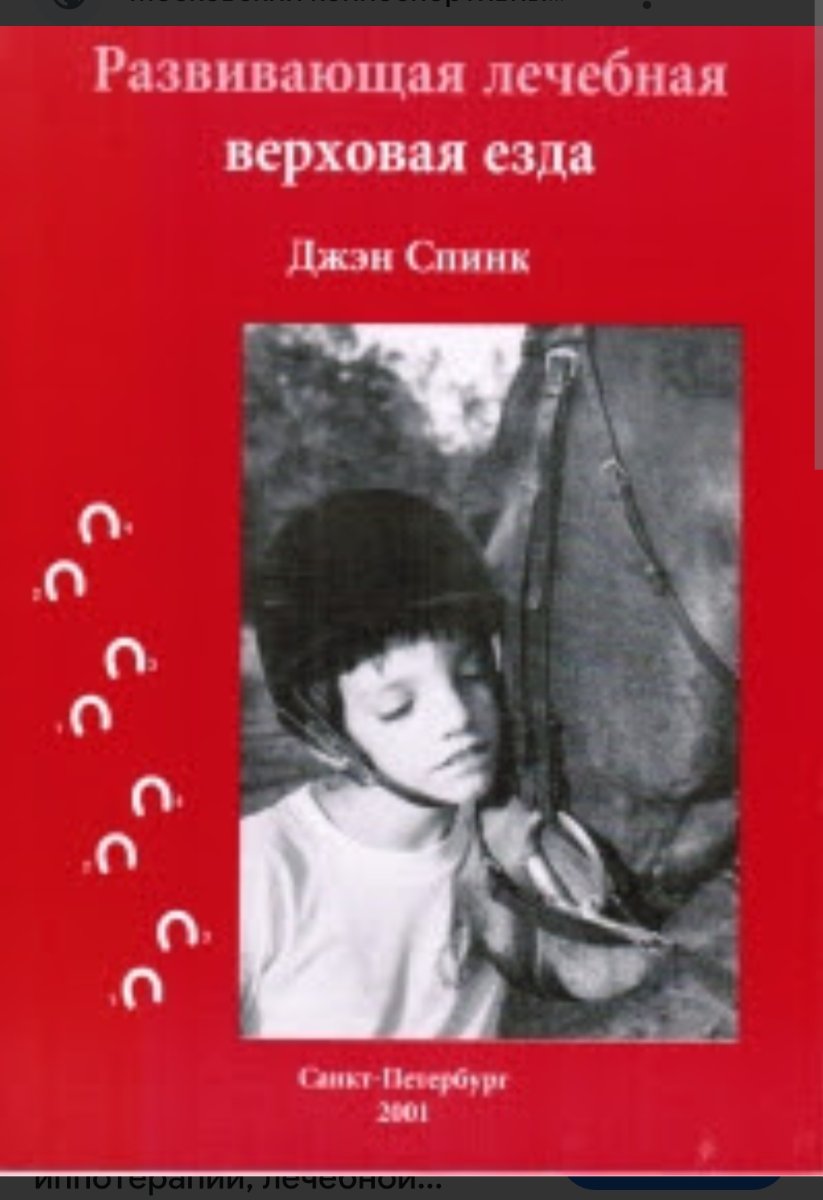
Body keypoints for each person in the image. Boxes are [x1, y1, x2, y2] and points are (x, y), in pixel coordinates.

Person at [241, 489, 662, 1039]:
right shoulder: (258, 871)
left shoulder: (510, 837)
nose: (457, 717)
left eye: (471, 675)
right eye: (398, 706)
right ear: (324, 733)